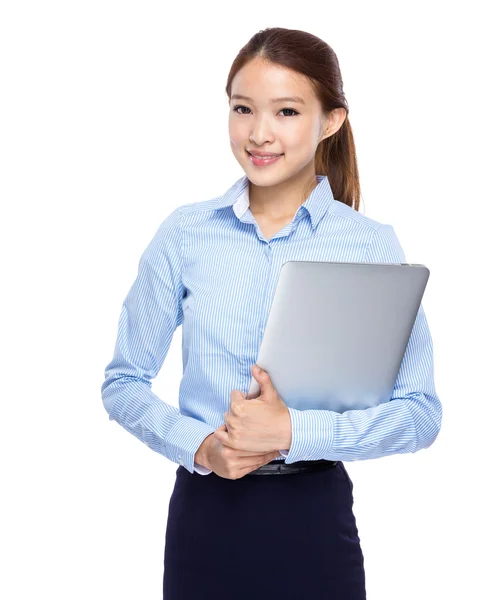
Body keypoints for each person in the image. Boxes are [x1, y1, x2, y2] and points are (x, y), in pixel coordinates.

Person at [101, 27, 442, 600]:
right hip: (206, 519)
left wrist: (291, 432)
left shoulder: (369, 246)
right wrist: (202, 446)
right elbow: (123, 384)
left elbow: (420, 414)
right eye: (242, 109)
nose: (259, 133)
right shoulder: (186, 234)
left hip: (315, 522)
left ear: (330, 121)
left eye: (286, 111)